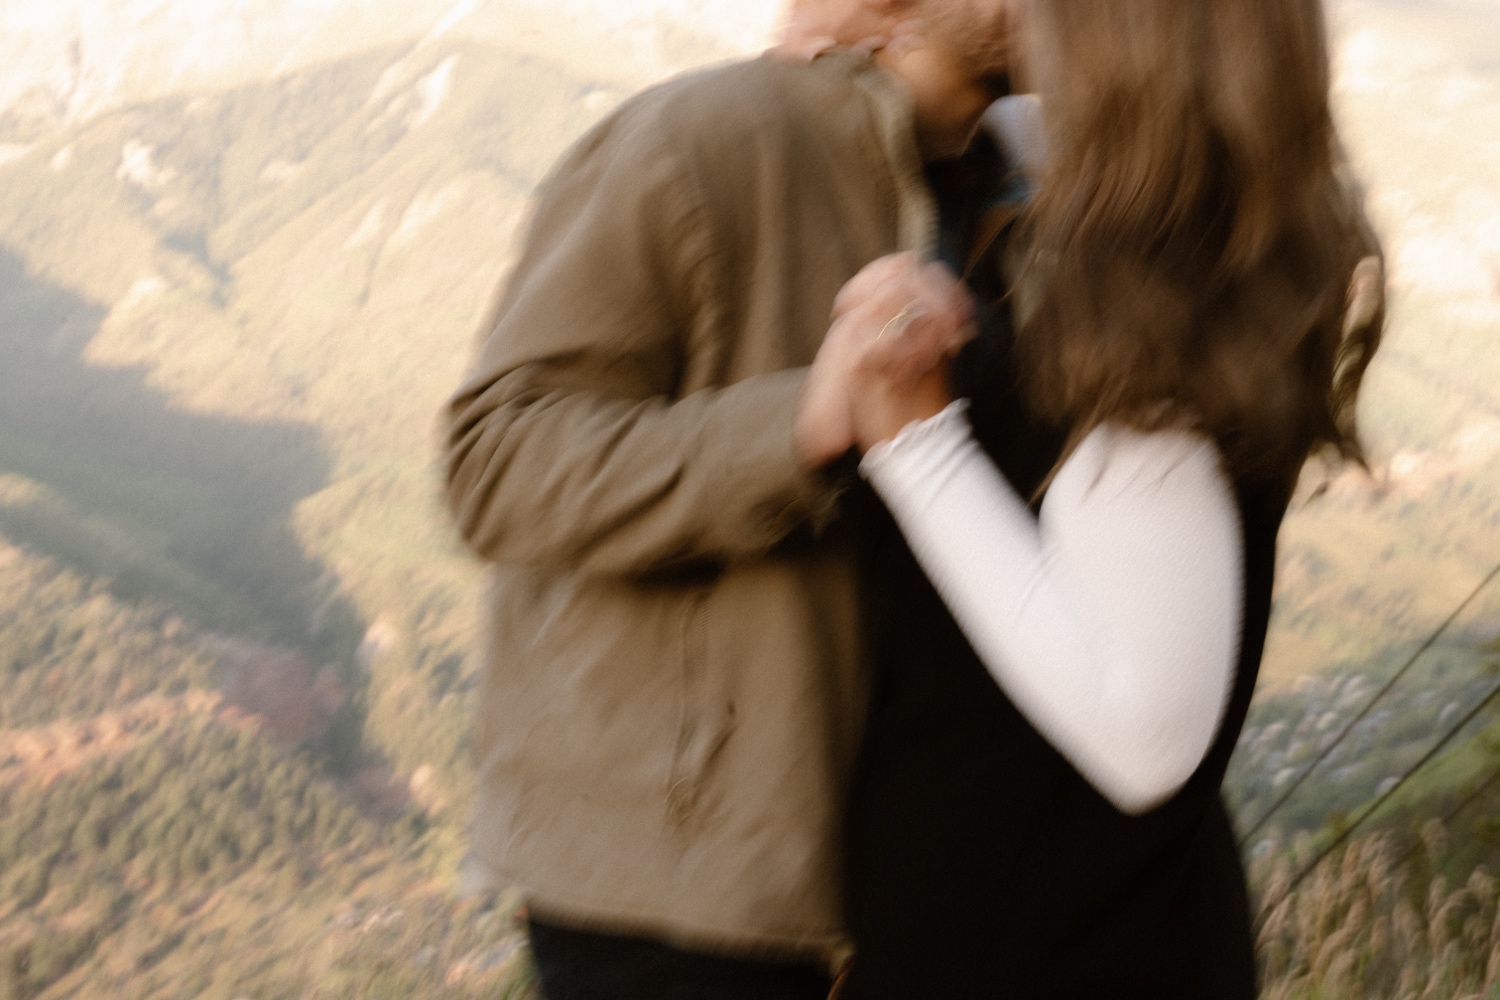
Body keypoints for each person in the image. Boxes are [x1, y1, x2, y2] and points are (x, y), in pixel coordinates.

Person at [792, 0, 1386, 995]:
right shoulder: (1202, 240)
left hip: (1048, 947)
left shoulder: (1148, 313)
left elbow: (1147, 734)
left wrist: (914, 439)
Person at [442, 2, 1026, 997]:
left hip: (912, 890)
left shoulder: (1021, 186)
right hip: (676, 914)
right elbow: (495, 460)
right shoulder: (698, 139)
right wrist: (804, 419)